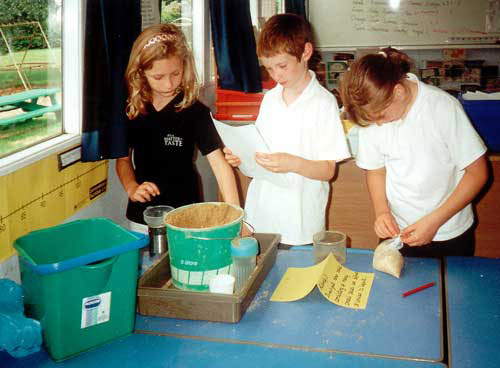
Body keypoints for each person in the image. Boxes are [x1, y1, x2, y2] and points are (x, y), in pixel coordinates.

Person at [340, 47, 488, 257]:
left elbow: (478, 173)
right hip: (398, 231)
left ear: (398, 92)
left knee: (450, 288)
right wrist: (382, 212)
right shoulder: (372, 113)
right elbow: (376, 170)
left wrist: (435, 221)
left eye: (381, 116)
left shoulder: (442, 107)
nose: (378, 125)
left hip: (448, 231)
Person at [224, 14, 351, 245]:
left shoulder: (323, 103)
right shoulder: (270, 100)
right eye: (269, 69)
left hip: (300, 222)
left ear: (305, 52)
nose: (276, 75)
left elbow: (327, 171)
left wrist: (292, 163)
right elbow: (256, 162)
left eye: (282, 66)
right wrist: (240, 157)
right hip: (262, 215)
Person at [116, 24, 240, 233]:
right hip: (142, 216)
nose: (168, 84)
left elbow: (220, 166)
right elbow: (123, 160)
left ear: (185, 67)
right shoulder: (133, 109)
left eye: (176, 74)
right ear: (141, 73)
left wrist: (236, 217)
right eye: (158, 77)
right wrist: (131, 187)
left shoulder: (196, 112)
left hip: (186, 215)